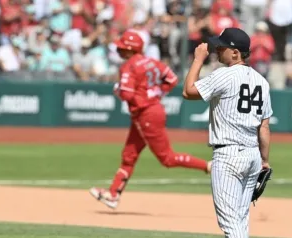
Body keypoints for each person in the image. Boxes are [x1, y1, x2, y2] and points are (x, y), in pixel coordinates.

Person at [182, 27, 273, 238]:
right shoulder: (261, 82)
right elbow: (264, 125)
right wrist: (264, 160)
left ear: (235, 53)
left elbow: (188, 91)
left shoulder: (226, 75)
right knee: (240, 219)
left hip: (228, 154)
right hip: (253, 154)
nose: (217, 50)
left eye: (221, 47)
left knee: (229, 219)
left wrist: (198, 60)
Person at [89, 31, 211, 209]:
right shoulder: (152, 62)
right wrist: (156, 93)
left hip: (145, 113)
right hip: (152, 110)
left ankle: (208, 166)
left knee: (167, 158)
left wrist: (119, 90)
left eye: (122, 47)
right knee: (129, 156)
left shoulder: (129, 66)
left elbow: (127, 94)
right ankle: (113, 194)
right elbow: (172, 78)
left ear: (129, 49)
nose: (119, 50)